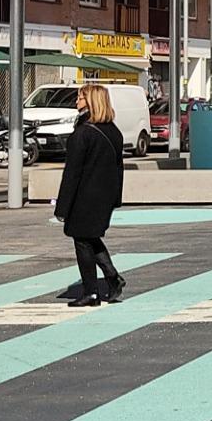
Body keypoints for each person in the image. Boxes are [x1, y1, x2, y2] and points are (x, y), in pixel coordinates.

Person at [54, 83, 126, 308]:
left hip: (85, 196)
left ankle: (92, 292)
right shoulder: (114, 131)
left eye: (80, 97)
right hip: (104, 195)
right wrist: (116, 198)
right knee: (90, 237)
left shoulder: (83, 133)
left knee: (82, 240)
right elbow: (119, 168)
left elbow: (72, 173)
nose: (76, 101)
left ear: (91, 101)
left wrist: (62, 207)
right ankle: (112, 277)